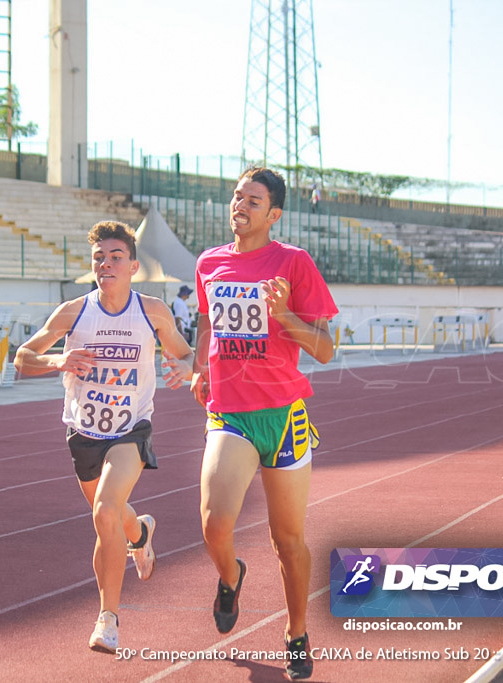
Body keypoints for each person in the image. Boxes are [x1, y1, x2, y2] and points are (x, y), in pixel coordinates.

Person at [14, 221, 194, 654]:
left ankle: (108, 618)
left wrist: (187, 368)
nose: (106, 263)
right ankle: (141, 535)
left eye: (116, 257)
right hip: (84, 432)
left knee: (104, 511)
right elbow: (22, 358)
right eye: (99, 257)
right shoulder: (74, 311)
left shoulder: (151, 311)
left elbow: (185, 352)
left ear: (134, 266)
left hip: (131, 429)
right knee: (112, 517)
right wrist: (60, 361)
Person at [192, 167, 338, 680]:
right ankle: (230, 577)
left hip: (283, 419)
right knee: (214, 524)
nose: (240, 205)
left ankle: (297, 632)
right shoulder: (209, 262)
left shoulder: (293, 263)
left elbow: (325, 348)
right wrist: (198, 367)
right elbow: (207, 319)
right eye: (236, 196)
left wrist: (285, 318)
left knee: (288, 541)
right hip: (230, 414)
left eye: (253, 200)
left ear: (273, 214)